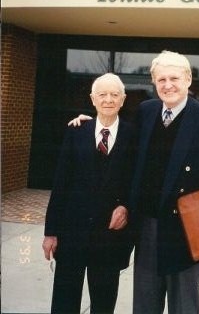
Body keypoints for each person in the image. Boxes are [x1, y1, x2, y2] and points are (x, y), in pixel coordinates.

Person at [69, 51, 199, 314]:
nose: (168, 85)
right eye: (161, 79)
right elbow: (119, 137)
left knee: (183, 306)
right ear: (154, 83)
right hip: (147, 226)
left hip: (188, 230)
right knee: (145, 305)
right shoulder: (146, 111)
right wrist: (90, 125)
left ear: (188, 80)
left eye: (174, 78)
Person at [42, 73, 135, 314]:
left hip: (110, 238)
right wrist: (51, 231)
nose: (108, 99)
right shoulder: (76, 131)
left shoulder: (134, 135)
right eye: (102, 94)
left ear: (123, 100)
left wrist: (126, 207)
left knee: (103, 304)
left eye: (114, 94)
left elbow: (139, 184)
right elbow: (60, 185)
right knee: (64, 301)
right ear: (92, 99)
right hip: (71, 234)